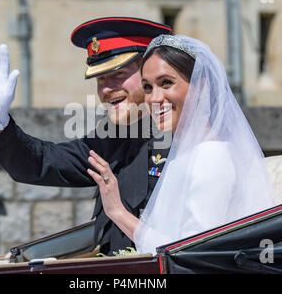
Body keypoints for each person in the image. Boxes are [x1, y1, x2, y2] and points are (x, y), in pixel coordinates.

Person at [0, 17, 172, 256]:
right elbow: (43, 163)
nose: (106, 89)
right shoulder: (111, 139)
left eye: (118, 73)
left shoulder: (183, 135)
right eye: (100, 78)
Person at [87, 34, 276, 255]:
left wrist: (118, 212)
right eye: (147, 87)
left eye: (166, 83)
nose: (154, 98)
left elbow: (191, 254)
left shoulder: (210, 155)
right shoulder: (183, 152)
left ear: (202, 86)